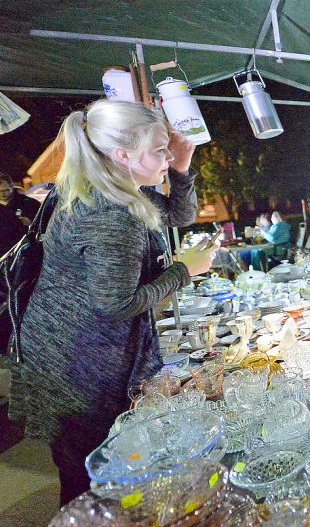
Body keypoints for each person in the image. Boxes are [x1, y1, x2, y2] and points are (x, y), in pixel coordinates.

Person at [8, 100, 217, 504]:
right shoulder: (111, 213)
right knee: (89, 477)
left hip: (74, 349)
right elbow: (116, 305)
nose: (167, 154)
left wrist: (180, 169)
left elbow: (180, 214)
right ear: (123, 154)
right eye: (159, 150)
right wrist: (184, 270)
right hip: (76, 361)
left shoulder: (110, 185)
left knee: (93, 468)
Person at [0, 172, 41, 256]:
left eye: (6, 190)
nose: (2, 194)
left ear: (12, 186)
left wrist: (30, 224)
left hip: (26, 252)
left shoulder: (29, 204)